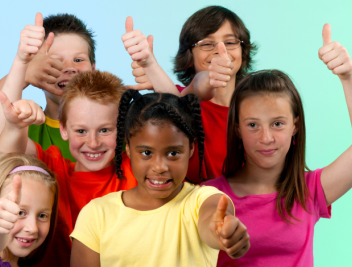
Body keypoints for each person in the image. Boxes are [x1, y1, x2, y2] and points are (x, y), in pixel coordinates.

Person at [202, 24, 352, 266]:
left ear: (295, 126)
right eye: (253, 125)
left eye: (277, 123)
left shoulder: (309, 191)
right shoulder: (212, 193)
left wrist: (348, 76)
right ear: (237, 129)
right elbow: (208, 223)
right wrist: (221, 234)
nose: (266, 138)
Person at [0, 17, 136, 266]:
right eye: (81, 131)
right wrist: (22, 62)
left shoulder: (135, 171)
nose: (92, 142)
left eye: (104, 130)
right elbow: (4, 143)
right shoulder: (53, 167)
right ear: (65, 129)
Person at [70, 90, 250, 266]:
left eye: (173, 153)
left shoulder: (202, 200)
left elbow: (211, 221)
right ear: (128, 149)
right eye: (146, 153)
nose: (159, 167)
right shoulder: (96, 214)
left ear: (191, 150)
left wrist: (221, 232)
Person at [124, 6, 257, 184]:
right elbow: (195, 90)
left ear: (243, 50)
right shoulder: (174, 97)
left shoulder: (256, 109)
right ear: (189, 55)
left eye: (230, 42)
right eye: (207, 44)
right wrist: (149, 64)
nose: (219, 49)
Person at [0, 12, 96, 162]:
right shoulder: (29, 123)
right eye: (56, 61)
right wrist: (22, 62)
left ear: (93, 69)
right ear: (38, 71)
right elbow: (2, 130)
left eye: (78, 59)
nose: (69, 68)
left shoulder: (115, 122)